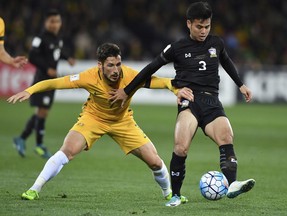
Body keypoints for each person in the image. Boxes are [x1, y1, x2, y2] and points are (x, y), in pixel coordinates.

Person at [109, 1, 256, 207]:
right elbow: (150, 68)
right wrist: (127, 90)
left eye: (207, 26)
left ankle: (232, 184)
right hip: (190, 100)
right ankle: (176, 195)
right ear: (189, 24)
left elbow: (226, 61)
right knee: (181, 147)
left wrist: (241, 85)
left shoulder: (217, 43)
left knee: (226, 136)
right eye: (199, 26)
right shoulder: (177, 47)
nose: (204, 31)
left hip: (212, 101)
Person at [7, 43, 192, 201]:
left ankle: (169, 194)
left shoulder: (129, 76)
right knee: (67, 151)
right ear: (100, 65)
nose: (115, 70)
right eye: (110, 65)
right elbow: (55, 83)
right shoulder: (89, 77)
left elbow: (161, 82)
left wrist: (176, 91)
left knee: (155, 162)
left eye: (118, 64)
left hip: (122, 121)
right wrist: (30, 91)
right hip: (93, 118)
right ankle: (35, 188)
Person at [13, 9, 75, 159]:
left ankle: (21, 138)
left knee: (42, 112)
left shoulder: (57, 38)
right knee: (42, 112)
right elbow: (33, 56)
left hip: (51, 82)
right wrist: (47, 68)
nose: (55, 25)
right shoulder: (40, 38)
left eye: (57, 21)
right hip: (42, 80)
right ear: (46, 22)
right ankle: (39, 145)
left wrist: (68, 58)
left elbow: (57, 52)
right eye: (52, 21)